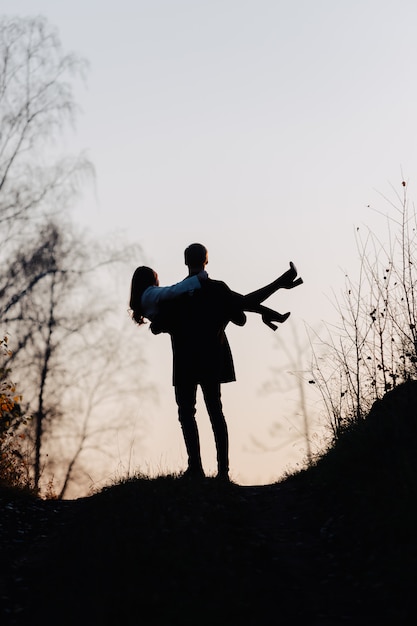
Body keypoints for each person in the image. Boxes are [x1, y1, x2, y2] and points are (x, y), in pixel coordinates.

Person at [150, 243, 303, 481]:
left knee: (186, 413)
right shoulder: (218, 290)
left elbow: (156, 326)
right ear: (206, 261)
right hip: (211, 361)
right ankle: (223, 472)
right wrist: (276, 286)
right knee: (215, 413)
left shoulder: (176, 294)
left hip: (185, 363)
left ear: (185, 262)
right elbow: (243, 307)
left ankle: (195, 469)